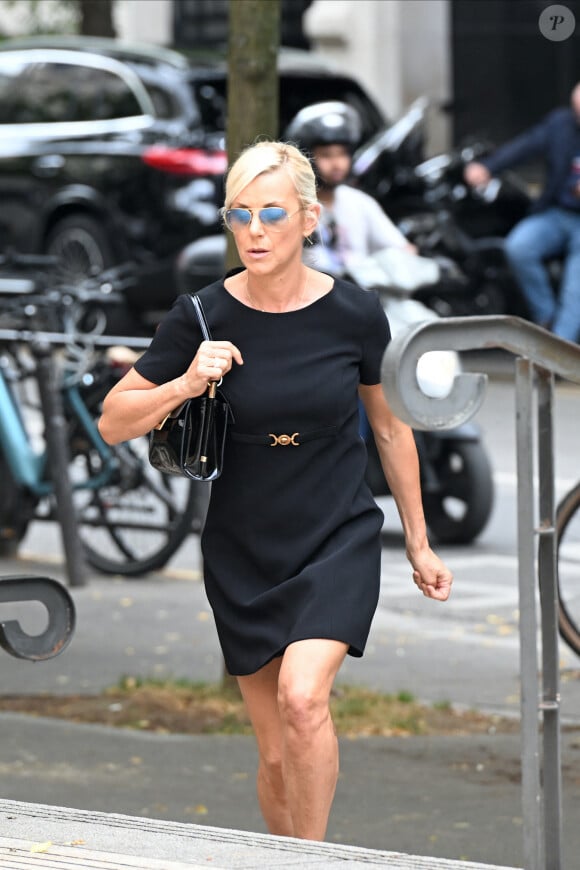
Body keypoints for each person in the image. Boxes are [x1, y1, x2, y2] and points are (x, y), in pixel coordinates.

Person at [98, 140, 453, 843]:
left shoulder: (354, 313)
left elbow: (389, 431)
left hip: (336, 533)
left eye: (271, 213)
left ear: (309, 219)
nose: (254, 231)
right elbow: (113, 422)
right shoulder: (200, 316)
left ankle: (311, 859)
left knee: (302, 701)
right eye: (239, 215)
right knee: (271, 751)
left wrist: (417, 539)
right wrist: (184, 383)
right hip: (244, 544)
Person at [464, 82, 580, 343]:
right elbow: (525, 146)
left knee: (576, 288)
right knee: (519, 246)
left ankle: (559, 350)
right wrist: (488, 167)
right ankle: (546, 319)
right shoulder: (560, 124)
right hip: (556, 212)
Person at [285, 101, 417, 276]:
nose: (337, 163)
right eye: (326, 155)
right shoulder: (291, 205)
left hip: (358, 295)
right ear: (305, 157)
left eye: (342, 154)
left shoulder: (359, 202)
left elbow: (403, 249)